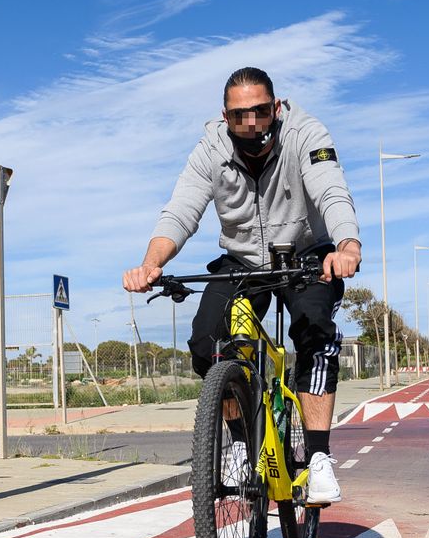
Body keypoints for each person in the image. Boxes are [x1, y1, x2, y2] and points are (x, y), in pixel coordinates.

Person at [123, 66, 361, 503]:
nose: (250, 123)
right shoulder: (210, 149)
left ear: (275, 106)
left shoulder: (305, 133)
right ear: (225, 116)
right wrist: (150, 264)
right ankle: (239, 439)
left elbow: (331, 192)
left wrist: (346, 246)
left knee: (314, 330)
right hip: (243, 259)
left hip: (305, 252)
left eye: (259, 111)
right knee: (205, 341)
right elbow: (180, 211)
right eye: (238, 115)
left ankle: (319, 457)